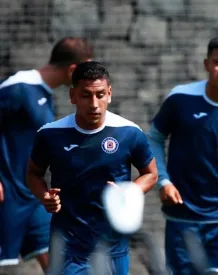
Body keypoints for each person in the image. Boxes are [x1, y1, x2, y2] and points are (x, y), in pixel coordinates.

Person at [147, 34, 218, 275]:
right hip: (183, 215)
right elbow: (154, 138)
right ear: (206, 64)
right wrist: (163, 181)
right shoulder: (180, 98)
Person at [25, 61, 157, 274]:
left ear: (110, 94)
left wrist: (130, 191)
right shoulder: (50, 135)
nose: (94, 104)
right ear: (73, 96)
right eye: (86, 95)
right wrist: (44, 196)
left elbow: (150, 174)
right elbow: (33, 173)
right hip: (68, 248)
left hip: (114, 248)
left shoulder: (129, 133)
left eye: (100, 95)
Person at [0, 37, 93, 271]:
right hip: (7, 197)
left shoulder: (44, 93)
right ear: (72, 69)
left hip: (33, 197)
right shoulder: (18, 88)